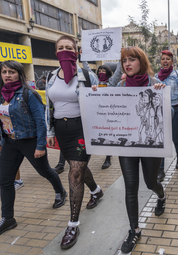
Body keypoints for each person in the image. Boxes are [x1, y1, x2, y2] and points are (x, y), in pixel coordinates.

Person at [45, 35, 103, 249]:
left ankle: (73, 224)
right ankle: (96, 191)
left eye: (69, 47)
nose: (65, 51)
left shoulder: (87, 75)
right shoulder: (51, 76)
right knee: (76, 168)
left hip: (82, 129)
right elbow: (48, 106)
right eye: (60, 48)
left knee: (75, 172)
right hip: (62, 129)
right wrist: (50, 130)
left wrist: (98, 94)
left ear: (77, 51)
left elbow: (101, 102)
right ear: (56, 52)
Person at [0, 60, 67, 235]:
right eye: (4, 72)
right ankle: (8, 218)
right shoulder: (2, 95)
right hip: (10, 142)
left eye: (11, 72)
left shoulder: (29, 94)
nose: (7, 75)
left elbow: (40, 121)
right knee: (4, 180)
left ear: (19, 74)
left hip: (30, 141)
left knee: (44, 171)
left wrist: (40, 146)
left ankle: (61, 191)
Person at [115, 46, 167, 254]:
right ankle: (134, 230)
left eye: (132, 59)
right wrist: (94, 94)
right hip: (127, 144)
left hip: (149, 142)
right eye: (124, 60)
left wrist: (162, 97)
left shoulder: (155, 84)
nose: (127, 64)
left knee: (150, 181)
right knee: (130, 187)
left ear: (142, 62)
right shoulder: (119, 85)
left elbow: (166, 118)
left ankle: (161, 195)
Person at [82, 58, 123, 169]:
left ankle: (108, 158)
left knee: (108, 134)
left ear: (108, 72)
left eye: (104, 70)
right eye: (99, 70)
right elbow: (88, 70)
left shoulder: (112, 81)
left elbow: (119, 70)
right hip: (97, 112)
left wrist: (120, 58)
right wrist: (84, 58)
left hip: (109, 112)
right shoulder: (95, 81)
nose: (101, 72)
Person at [154, 50, 178, 181]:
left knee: (175, 138)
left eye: (168, 59)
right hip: (161, 111)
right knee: (162, 140)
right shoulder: (156, 76)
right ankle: (160, 169)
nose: (165, 61)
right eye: (163, 59)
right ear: (160, 61)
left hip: (176, 110)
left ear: (172, 61)